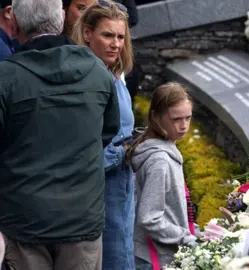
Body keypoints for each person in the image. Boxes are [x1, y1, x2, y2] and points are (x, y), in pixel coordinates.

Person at [0, 0, 120, 269]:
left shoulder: (5, 77)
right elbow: (107, 131)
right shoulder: (97, 72)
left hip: (25, 221)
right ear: (64, 16)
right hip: (81, 219)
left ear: (15, 22)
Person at [71, 1, 136, 269]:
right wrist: (123, 151)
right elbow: (80, 149)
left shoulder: (112, 74)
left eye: (120, 37)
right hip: (102, 191)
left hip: (121, 185)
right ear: (88, 33)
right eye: (108, 35)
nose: (116, 44)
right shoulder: (85, 79)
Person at [126, 82, 198, 269]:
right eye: (176, 119)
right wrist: (186, 238)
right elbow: (150, 218)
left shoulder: (164, 148)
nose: (183, 126)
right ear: (157, 118)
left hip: (157, 253)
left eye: (187, 118)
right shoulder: (160, 161)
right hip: (153, 258)